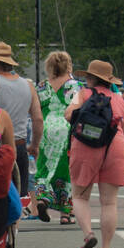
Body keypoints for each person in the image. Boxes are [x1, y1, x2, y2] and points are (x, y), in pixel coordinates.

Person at [65, 60, 124, 248]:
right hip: (115, 145)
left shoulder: (83, 94)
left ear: (91, 78)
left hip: (86, 145)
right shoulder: (119, 99)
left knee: (79, 196)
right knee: (109, 202)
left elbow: (68, 115)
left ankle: (88, 234)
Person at [0, 40, 44, 216]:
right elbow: (37, 119)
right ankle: (12, 234)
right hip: (19, 148)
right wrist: (34, 146)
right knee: (16, 200)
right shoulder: (27, 85)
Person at [33, 51, 82, 225]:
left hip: (45, 127)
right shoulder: (75, 86)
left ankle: (42, 198)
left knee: (44, 167)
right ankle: (66, 213)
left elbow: (35, 109)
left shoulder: (41, 86)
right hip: (67, 128)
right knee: (67, 169)